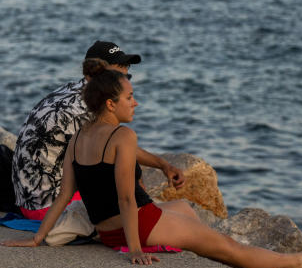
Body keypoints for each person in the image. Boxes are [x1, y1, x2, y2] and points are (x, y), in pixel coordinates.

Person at [4, 68, 302, 268]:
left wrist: (38, 238)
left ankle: (238, 263)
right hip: (137, 226)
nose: (136, 103)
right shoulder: (123, 137)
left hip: (105, 228)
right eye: (130, 97)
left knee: (184, 208)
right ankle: (295, 263)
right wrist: (136, 250)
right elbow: (127, 199)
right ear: (111, 104)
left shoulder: (78, 138)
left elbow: (63, 197)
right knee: (228, 244)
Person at [11, 40, 186, 220]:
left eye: (127, 77)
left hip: (28, 196)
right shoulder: (83, 108)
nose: (124, 84)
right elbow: (119, 150)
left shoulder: (74, 90)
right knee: (126, 166)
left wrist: (163, 165)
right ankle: (142, 226)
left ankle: (144, 219)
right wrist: (161, 165)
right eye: (117, 77)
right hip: (45, 205)